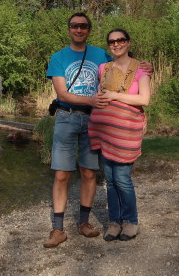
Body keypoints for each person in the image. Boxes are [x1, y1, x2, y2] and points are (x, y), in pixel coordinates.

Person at [43, 13, 152, 249]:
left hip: (94, 122)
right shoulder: (58, 57)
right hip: (67, 118)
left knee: (90, 173)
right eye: (74, 25)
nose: (79, 29)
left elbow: (124, 64)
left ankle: (84, 222)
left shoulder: (100, 55)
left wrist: (145, 66)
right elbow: (62, 94)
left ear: (89, 30)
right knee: (62, 174)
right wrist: (92, 101)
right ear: (69, 29)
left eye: (83, 26)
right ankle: (58, 229)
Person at [88, 29, 150, 242]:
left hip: (126, 135)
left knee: (122, 179)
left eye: (120, 40)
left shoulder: (140, 69)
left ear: (128, 42)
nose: (116, 44)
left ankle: (131, 222)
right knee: (111, 180)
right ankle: (114, 222)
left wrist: (114, 95)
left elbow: (144, 99)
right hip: (106, 133)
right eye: (112, 41)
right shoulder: (103, 68)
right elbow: (99, 93)